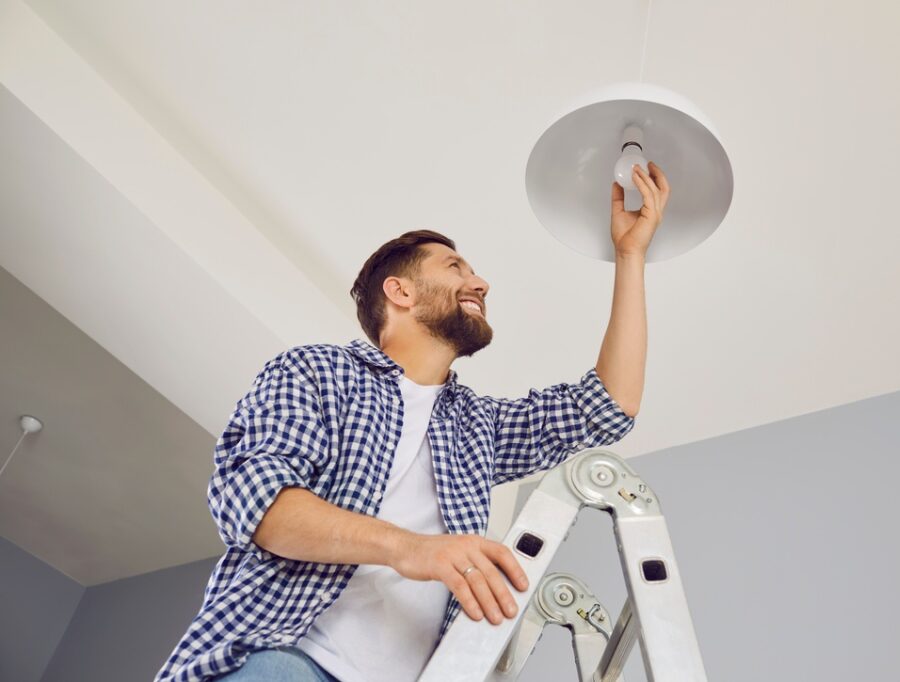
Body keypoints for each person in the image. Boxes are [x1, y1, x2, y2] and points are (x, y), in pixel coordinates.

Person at [155, 162, 670, 681]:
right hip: (285, 664)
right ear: (400, 293)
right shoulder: (317, 371)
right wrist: (414, 550)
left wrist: (630, 255)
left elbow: (607, 407)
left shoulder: (475, 426)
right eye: (455, 268)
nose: (480, 282)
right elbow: (260, 508)